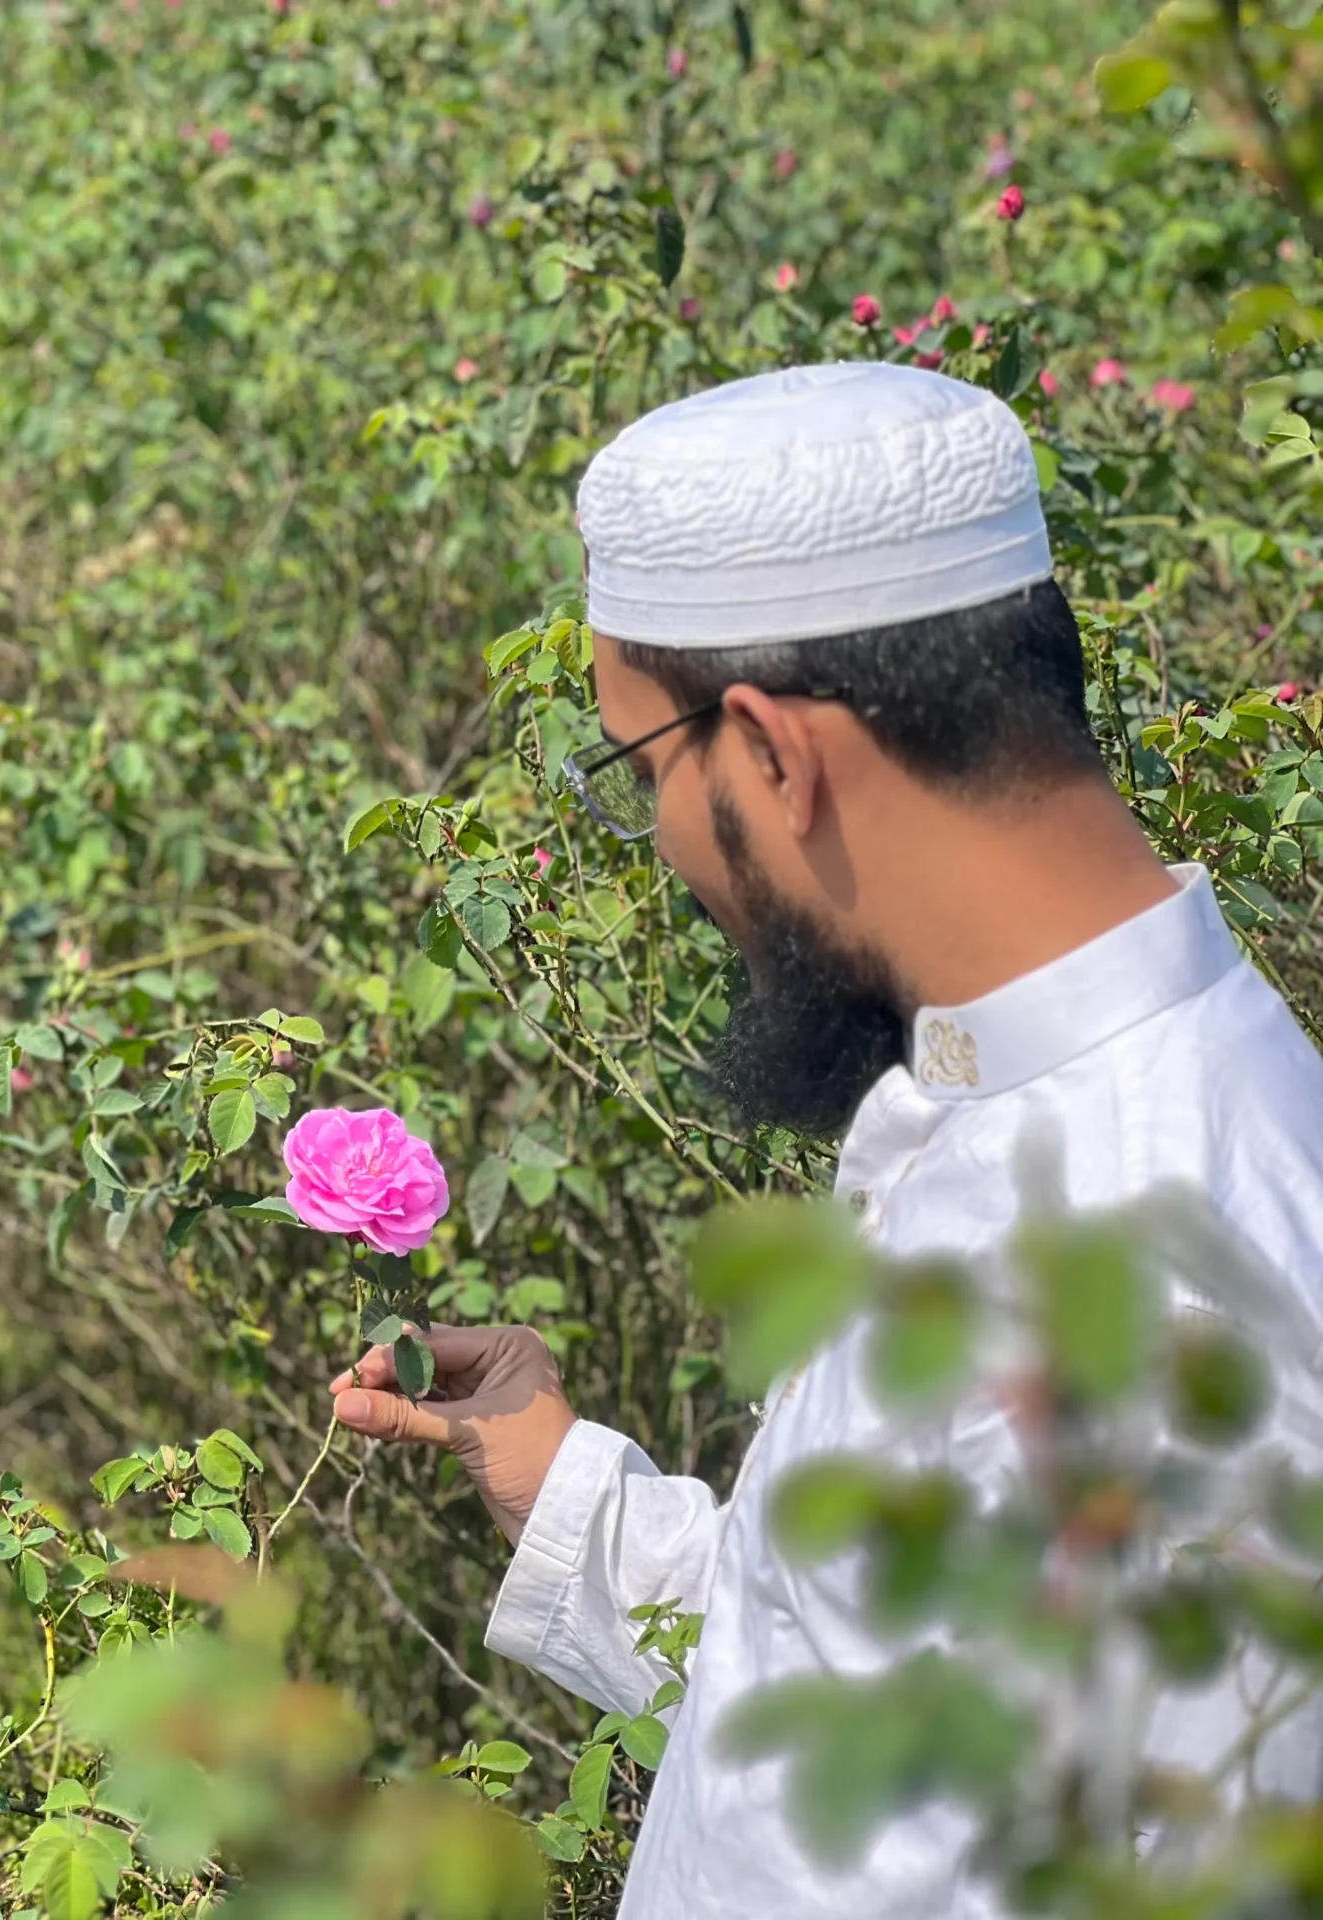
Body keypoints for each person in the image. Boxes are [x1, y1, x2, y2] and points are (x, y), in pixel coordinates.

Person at [326, 362, 1323, 1916]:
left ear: (774, 755)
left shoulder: (1154, 1285)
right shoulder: (1031, 1113)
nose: (662, 848)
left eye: (642, 774)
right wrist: (572, 1497)